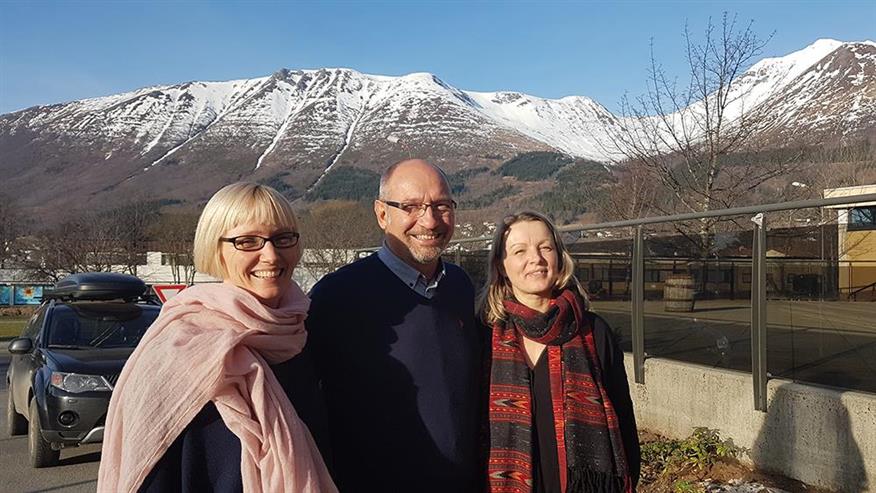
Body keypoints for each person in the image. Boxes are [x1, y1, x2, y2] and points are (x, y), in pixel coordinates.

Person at [97, 182, 336, 493]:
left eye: (283, 238)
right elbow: (149, 469)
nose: (271, 255)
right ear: (216, 248)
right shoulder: (179, 348)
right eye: (248, 241)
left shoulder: (303, 337)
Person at [305, 159, 484, 492]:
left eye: (441, 206)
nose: (429, 221)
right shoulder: (336, 296)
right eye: (411, 207)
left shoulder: (459, 286)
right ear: (382, 214)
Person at [479, 211, 640, 493]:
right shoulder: (484, 336)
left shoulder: (594, 332)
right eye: (520, 251)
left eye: (546, 247)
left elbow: (625, 422)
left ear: (559, 256)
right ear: (502, 266)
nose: (536, 259)